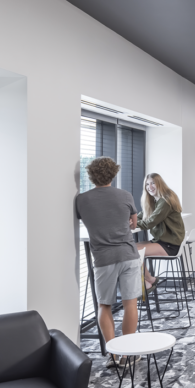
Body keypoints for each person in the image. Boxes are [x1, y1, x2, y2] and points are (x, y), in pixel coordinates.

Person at [75, 157, 141, 368]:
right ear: (113, 174)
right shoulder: (125, 195)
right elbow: (133, 224)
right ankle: (127, 355)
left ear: (91, 175)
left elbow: (83, 219)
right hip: (128, 255)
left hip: (103, 259)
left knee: (105, 305)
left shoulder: (82, 200)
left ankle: (113, 354)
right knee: (130, 304)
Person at [137, 173, 186, 289]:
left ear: (160, 183)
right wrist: (130, 219)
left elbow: (149, 223)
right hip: (163, 241)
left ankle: (146, 282)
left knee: (132, 251)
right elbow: (142, 216)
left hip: (170, 245)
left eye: (153, 183)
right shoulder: (156, 200)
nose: (150, 187)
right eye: (147, 184)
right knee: (130, 248)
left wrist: (131, 224)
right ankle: (149, 279)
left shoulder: (165, 200)